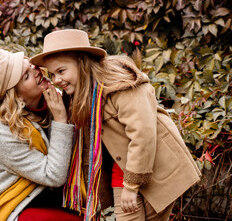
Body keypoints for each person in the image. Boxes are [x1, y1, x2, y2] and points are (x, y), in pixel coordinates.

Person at [30, 29, 202, 221]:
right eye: (52, 74)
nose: (56, 80)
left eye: (61, 71)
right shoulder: (79, 95)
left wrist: (131, 186)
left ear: (82, 62)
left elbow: (142, 135)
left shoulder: (120, 84)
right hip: (122, 173)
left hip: (156, 169)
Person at [0, 49, 83, 221]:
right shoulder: (4, 132)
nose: (36, 72)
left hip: (34, 198)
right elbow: (54, 175)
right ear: (17, 96)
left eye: (31, 66)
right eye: (26, 76)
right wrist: (60, 120)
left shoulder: (51, 100)